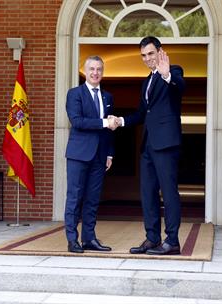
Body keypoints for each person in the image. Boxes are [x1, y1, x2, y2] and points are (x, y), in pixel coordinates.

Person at [111, 36, 185, 255]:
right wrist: (121, 121)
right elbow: (143, 114)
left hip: (166, 144)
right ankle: (152, 238)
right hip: (148, 146)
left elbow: (179, 87)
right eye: (143, 55)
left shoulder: (174, 71)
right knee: (148, 193)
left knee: (169, 193)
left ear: (160, 52)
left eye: (151, 53)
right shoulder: (146, 81)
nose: (147, 59)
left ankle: (172, 241)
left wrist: (167, 74)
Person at [64, 55, 117, 253]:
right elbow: (77, 121)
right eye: (92, 69)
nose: (96, 73)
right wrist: (104, 122)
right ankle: (72, 240)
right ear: (85, 71)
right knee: (74, 197)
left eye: (99, 69)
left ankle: (89, 238)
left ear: (103, 72)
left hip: (100, 156)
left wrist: (110, 154)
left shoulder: (107, 97)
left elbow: (110, 129)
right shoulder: (75, 94)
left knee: (93, 199)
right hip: (79, 155)